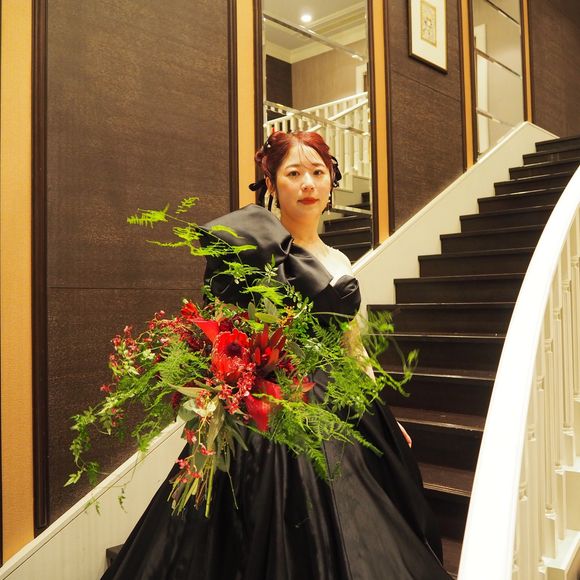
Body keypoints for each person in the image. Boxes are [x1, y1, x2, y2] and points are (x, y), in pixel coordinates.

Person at [102, 131, 451, 579]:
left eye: (318, 172)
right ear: (271, 184)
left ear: (331, 182)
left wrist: (383, 412)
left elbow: (352, 346)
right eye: (294, 173)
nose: (308, 183)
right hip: (268, 408)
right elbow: (222, 328)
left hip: (340, 403)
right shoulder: (251, 248)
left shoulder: (339, 258)